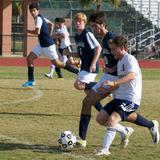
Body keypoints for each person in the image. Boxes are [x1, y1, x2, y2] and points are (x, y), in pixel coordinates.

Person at [76, 11, 134, 148]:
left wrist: (114, 69)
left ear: (102, 25)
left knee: (90, 103)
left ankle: (83, 139)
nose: (94, 29)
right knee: (87, 103)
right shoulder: (104, 38)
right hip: (106, 77)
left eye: (95, 26)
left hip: (113, 80)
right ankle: (83, 139)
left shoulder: (112, 37)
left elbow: (125, 54)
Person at [95, 35, 159, 156]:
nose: (112, 52)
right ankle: (129, 130)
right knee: (100, 118)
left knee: (112, 119)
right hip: (119, 97)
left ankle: (105, 149)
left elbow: (131, 76)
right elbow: (120, 83)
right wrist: (107, 88)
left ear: (122, 47)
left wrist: (114, 82)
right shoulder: (120, 62)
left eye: (114, 49)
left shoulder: (129, 59)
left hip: (131, 99)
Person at [22, 2, 75, 87]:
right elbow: (51, 24)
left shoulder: (38, 19)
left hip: (48, 46)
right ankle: (31, 81)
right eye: (31, 11)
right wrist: (49, 34)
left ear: (38, 10)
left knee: (58, 64)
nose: (32, 12)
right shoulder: (41, 17)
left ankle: (77, 72)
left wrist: (27, 31)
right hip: (40, 45)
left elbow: (37, 31)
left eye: (34, 11)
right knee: (29, 59)